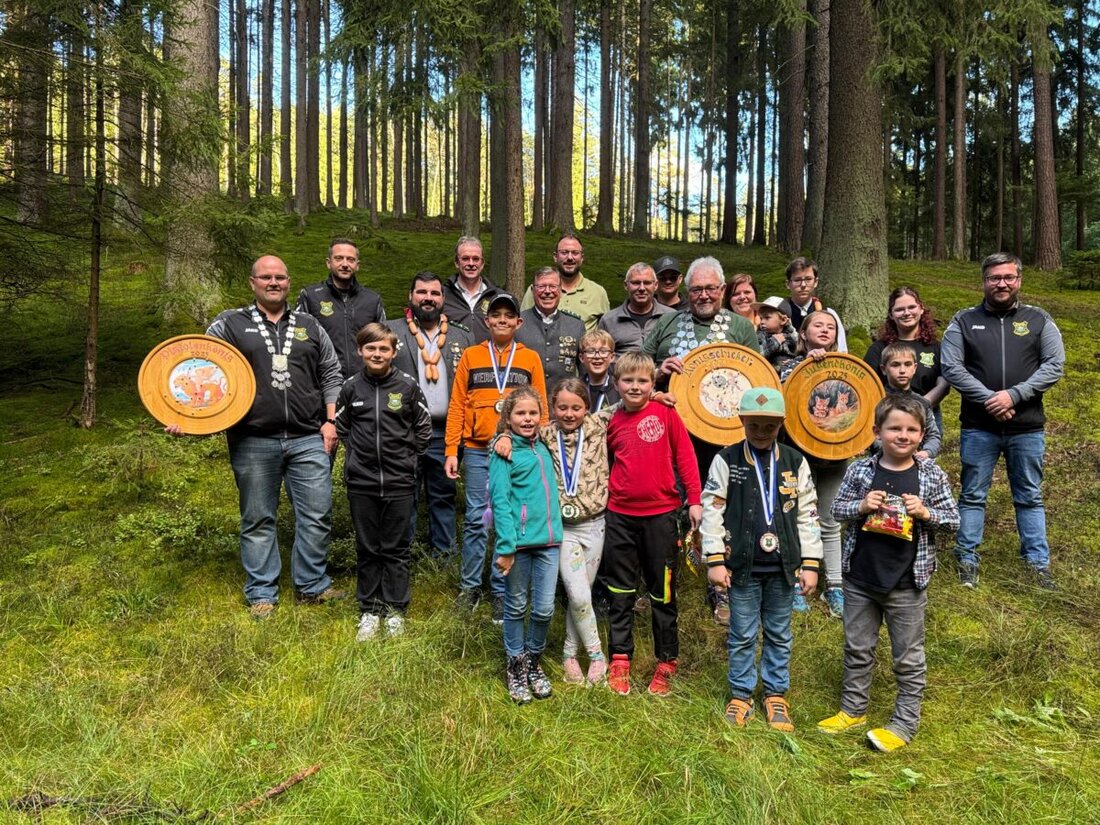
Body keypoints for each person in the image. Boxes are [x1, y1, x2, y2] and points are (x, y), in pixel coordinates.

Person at [182, 255, 344, 619]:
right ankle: (261, 593)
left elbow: (332, 373)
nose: (274, 282)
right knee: (257, 518)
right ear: (252, 282)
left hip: (308, 436)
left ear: (289, 282)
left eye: (281, 277)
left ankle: (312, 585)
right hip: (253, 437)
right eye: (266, 277)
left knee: (317, 514)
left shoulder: (309, 325)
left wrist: (331, 421)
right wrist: (186, 417)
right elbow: (201, 371)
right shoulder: (229, 324)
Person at [820, 394, 959, 752]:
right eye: (894, 428)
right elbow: (836, 510)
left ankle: (904, 723)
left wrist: (926, 513)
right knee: (857, 647)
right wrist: (862, 505)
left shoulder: (931, 474)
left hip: (907, 584)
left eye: (912, 429)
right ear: (876, 432)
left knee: (908, 657)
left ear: (922, 434)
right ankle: (853, 710)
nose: (903, 435)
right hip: (860, 579)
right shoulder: (861, 470)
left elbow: (954, 520)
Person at [643, 256, 759, 622]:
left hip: (727, 437)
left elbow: (756, 378)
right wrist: (659, 371)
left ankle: (720, 586)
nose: (704, 295)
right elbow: (636, 366)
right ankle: (662, 581)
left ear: (722, 290)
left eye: (711, 288)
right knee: (669, 506)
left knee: (721, 506)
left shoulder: (741, 327)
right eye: (697, 289)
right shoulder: (667, 322)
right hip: (673, 432)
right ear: (686, 291)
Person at [701, 386, 823, 731]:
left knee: (779, 633)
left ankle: (775, 694)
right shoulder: (726, 460)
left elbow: (808, 514)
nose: (760, 432)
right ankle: (741, 693)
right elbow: (712, 510)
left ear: (781, 424)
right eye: (753, 425)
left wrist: (811, 563)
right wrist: (715, 559)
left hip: (783, 569)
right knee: (741, 632)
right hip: (741, 566)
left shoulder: (794, 462)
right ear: (742, 421)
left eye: (768, 426)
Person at [940, 252, 1065, 590]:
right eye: (995, 277)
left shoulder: (1039, 319)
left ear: (1019, 280)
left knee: (1029, 495)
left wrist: (1014, 395)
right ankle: (966, 557)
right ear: (984, 281)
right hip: (979, 427)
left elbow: (1054, 365)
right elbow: (951, 367)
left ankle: (1038, 563)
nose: (1002, 283)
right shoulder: (963, 321)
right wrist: (990, 399)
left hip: (1027, 427)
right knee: (972, 494)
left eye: (1008, 277)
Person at [494, 378, 612, 686]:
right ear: (553, 410)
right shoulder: (546, 434)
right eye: (562, 407)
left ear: (587, 408)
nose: (570, 413)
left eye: (576, 407)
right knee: (575, 592)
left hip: (595, 524)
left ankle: (569, 653)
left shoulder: (599, 423)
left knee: (581, 593)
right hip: (561, 531)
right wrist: (502, 437)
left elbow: (630, 399)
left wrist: (661, 390)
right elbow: (519, 427)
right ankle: (597, 656)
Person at [602, 352, 702, 697]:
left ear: (653, 383)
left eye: (642, 381)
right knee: (620, 590)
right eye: (627, 381)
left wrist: (695, 500)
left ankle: (666, 661)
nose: (635, 386)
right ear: (616, 385)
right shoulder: (609, 420)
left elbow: (685, 456)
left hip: (661, 515)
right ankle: (619, 657)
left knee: (662, 592)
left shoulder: (665, 413)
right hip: (619, 515)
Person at [444, 293, 549, 619]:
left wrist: (537, 450)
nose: (502, 320)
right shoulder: (472, 356)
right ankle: (470, 588)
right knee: (477, 520)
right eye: (496, 315)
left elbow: (541, 408)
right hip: (477, 450)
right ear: (487, 321)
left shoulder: (529, 358)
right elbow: (458, 403)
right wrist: (452, 449)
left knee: (510, 519)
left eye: (509, 316)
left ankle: (502, 591)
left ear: (519, 322)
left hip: (517, 451)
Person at [335, 324, 432, 642]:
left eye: (384, 349)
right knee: (367, 547)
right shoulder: (350, 388)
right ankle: (369, 609)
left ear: (394, 352)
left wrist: (406, 459)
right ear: (361, 351)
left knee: (395, 549)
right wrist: (359, 456)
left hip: (399, 482)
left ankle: (394, 610)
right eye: (371, 349)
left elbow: (423, 428)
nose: (377, 354)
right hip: (361, 482)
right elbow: (342, 426)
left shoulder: (407, 386)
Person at [385, 271, 474, 559]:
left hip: (445, 432)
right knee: (403, 495)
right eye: (422, 292)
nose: (428, 298)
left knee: (443, 495)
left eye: (434, 293)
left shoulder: (462, 335)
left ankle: (444, 557)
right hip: (403, 429)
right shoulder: (391, 331)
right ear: (411, 296)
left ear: (443, 299)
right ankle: (402, 555)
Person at [490, 387, 563, 704]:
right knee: (516, 606)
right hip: (517, 545)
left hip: (549, 543)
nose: (528, 419)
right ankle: (515, 665)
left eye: (533, 413)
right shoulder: (503, 452)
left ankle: (534, 662)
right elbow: (500, 502)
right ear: (508, 417)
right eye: (520, 413)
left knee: (545, 608)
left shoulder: (545, 444)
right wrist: (506, 546)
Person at [779, 311, 847, 618]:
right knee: (793, 518)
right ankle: (796, 582)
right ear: (803, 333)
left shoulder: (847, 369)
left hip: (835, 455)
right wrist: (808, 365)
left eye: (830, 326)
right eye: (817, 324)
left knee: (830, 519)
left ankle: (834, 584)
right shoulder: (789, 366)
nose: (825, 329)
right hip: (796, 454)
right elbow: (781, 401)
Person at [295, 238, 386, 378]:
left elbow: (383, 341)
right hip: (322, 382)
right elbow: (298, 342)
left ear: (357, 265)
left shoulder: (372, 300)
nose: (345, 264)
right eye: (339, 258)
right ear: (328, 262)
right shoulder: (310, 296)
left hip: (364, 382)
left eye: (350, 259)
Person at [863, 286, 949, 435]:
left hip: (927, 416)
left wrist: (920, 405)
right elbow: (867, 386)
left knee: (924, 457)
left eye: (912, 307)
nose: (907, 313)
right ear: (891, 314)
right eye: (900, 309)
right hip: (888, 418)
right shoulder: (879, 348)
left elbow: (943, 384)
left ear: (921, 309)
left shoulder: (936, 347)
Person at [515, 267, 586, 389]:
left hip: (563, 402)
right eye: (541, 287)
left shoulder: (576, 326)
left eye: (553, 287)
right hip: (525, 401)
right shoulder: (517, 323)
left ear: (560, 290)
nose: (547, 291)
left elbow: (584, 371)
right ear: (533, 290)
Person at [875, 342, 942, 460]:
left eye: (907, 364)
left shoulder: (922, 403)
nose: (902, 370)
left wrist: (926, 453)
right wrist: (900, 451)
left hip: (916, 464)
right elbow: (870, 436)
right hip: (882, 463)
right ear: (884, 369)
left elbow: (933, 436)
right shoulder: (875, 401)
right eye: (895, 365)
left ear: (914, 368)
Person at [598, 262, 675, 353]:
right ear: (626, 285)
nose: (642, 288)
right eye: (636, 283)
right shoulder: (609, 320)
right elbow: (601, 356)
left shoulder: (672, 317)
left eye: (647, 283)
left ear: (656, 285)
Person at [777, 257, 848, 353]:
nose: (803, 285)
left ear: (816, 282)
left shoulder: (829, 314)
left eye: (808, 279)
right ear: (788, 284)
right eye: (797, 280)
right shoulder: (778, 313)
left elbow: (841, 351)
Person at [442, 236, 504, 342]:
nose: (471, 264)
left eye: (476, 259)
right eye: (465, 259)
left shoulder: (498, 297)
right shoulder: (441, 296)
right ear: (457, 262)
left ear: (482, 263)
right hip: (454, 357)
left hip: (490, 357)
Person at [754, 296, 799, 376]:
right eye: (761, 318)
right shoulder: (761, 336)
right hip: (769, 376)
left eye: (767, 318)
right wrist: (774, 342)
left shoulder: (792, 335)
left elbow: (801, 350)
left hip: (791, 375)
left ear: (783, 320)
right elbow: (758, 355)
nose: (762, 322)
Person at [578, 329, 620, 411]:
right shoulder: (575, 388)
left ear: (612, 357)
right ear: (581, 357)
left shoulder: (619, 388)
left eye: (603, 351)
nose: (597, 356)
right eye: (590, 351)